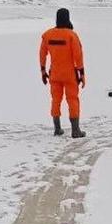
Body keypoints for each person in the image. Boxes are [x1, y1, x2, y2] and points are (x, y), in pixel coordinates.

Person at [39, 8, 86, 138]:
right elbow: (78, 56)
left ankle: (57, 128)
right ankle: (75, 130)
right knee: (72, 100)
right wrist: (81, 74)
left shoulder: (47, 35)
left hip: (54, 74)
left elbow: (42, 54)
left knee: (56, 100)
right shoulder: (71, 35)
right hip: (70, 75)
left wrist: (43, 71)